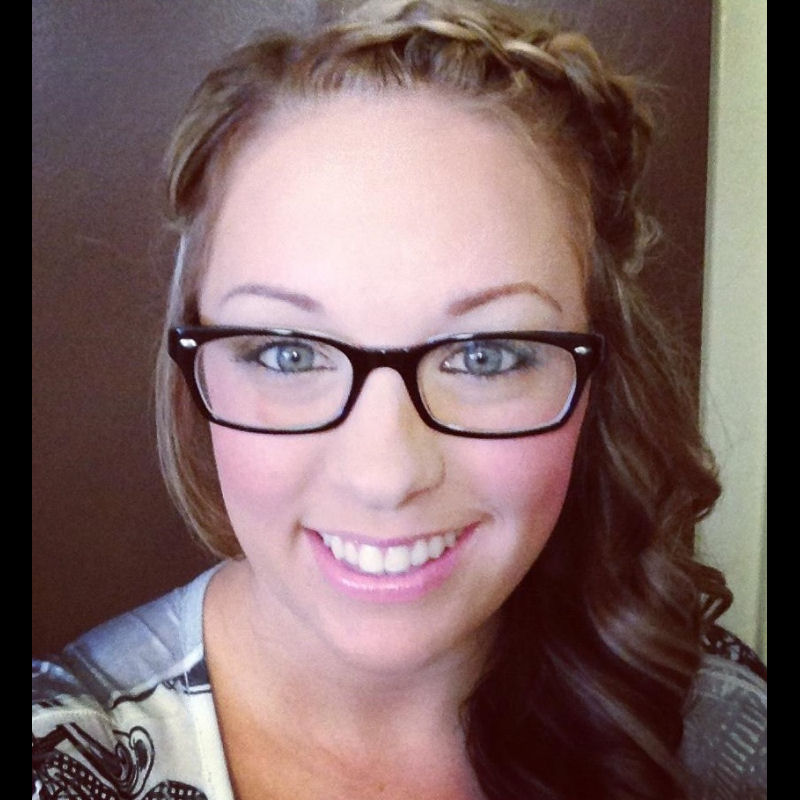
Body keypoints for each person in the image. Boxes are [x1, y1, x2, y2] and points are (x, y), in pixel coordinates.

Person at [32, 1, 766, 798]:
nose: (384, 477)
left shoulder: (713, 717)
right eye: (288, 353)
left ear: (597, 376)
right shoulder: (66, 762)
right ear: (194, 374)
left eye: (484, 355)